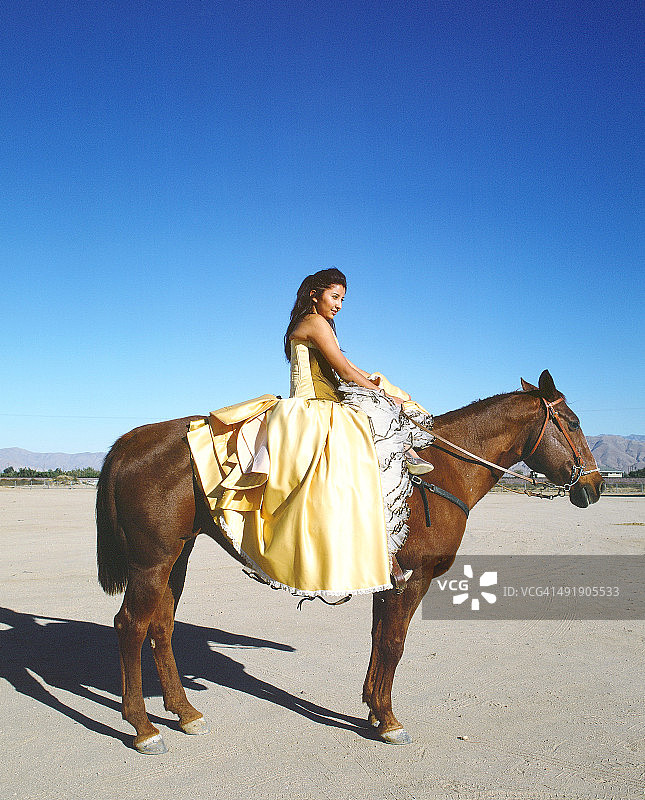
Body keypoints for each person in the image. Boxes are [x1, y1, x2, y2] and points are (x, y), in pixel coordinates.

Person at [187, 269, 435, 597]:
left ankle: (393, 503)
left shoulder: (320, 324)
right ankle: (381, 547)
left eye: (343, 299)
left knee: (380, 400)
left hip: (326, 400)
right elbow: (344, 370)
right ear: (315, 294)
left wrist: (375, 383)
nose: (340, 305)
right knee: (372, 435)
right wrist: (386, 396)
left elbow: (348, 365)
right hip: (314, 406)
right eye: (335, 297)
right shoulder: (314, 322)